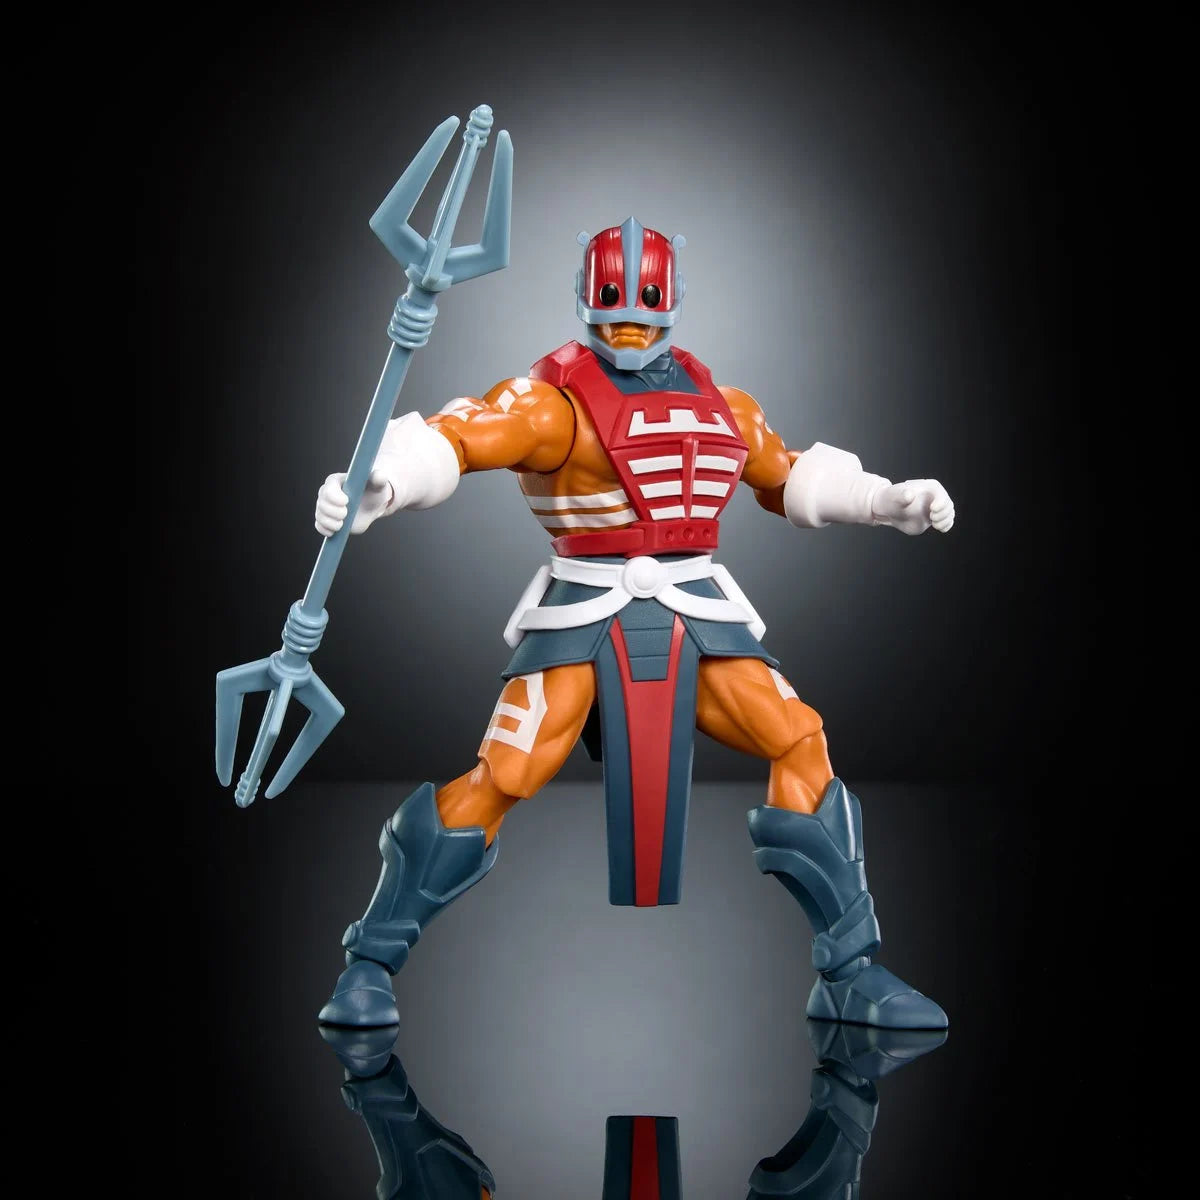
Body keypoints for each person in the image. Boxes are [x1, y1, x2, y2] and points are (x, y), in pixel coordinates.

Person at [313, 218, 955, 1031]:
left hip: (697, 612)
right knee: (505, 774)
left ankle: (851, 973)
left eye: (644, 298)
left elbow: (785, 473)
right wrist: (386, 479)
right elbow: (464, 435)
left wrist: (884, 500)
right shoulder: (552, 405)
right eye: (612, 298)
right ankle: (370, 962)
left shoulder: (722, 406)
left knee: (799, 738)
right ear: (588, 297)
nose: (626, 318)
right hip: (585, 613)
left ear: (670, 298)